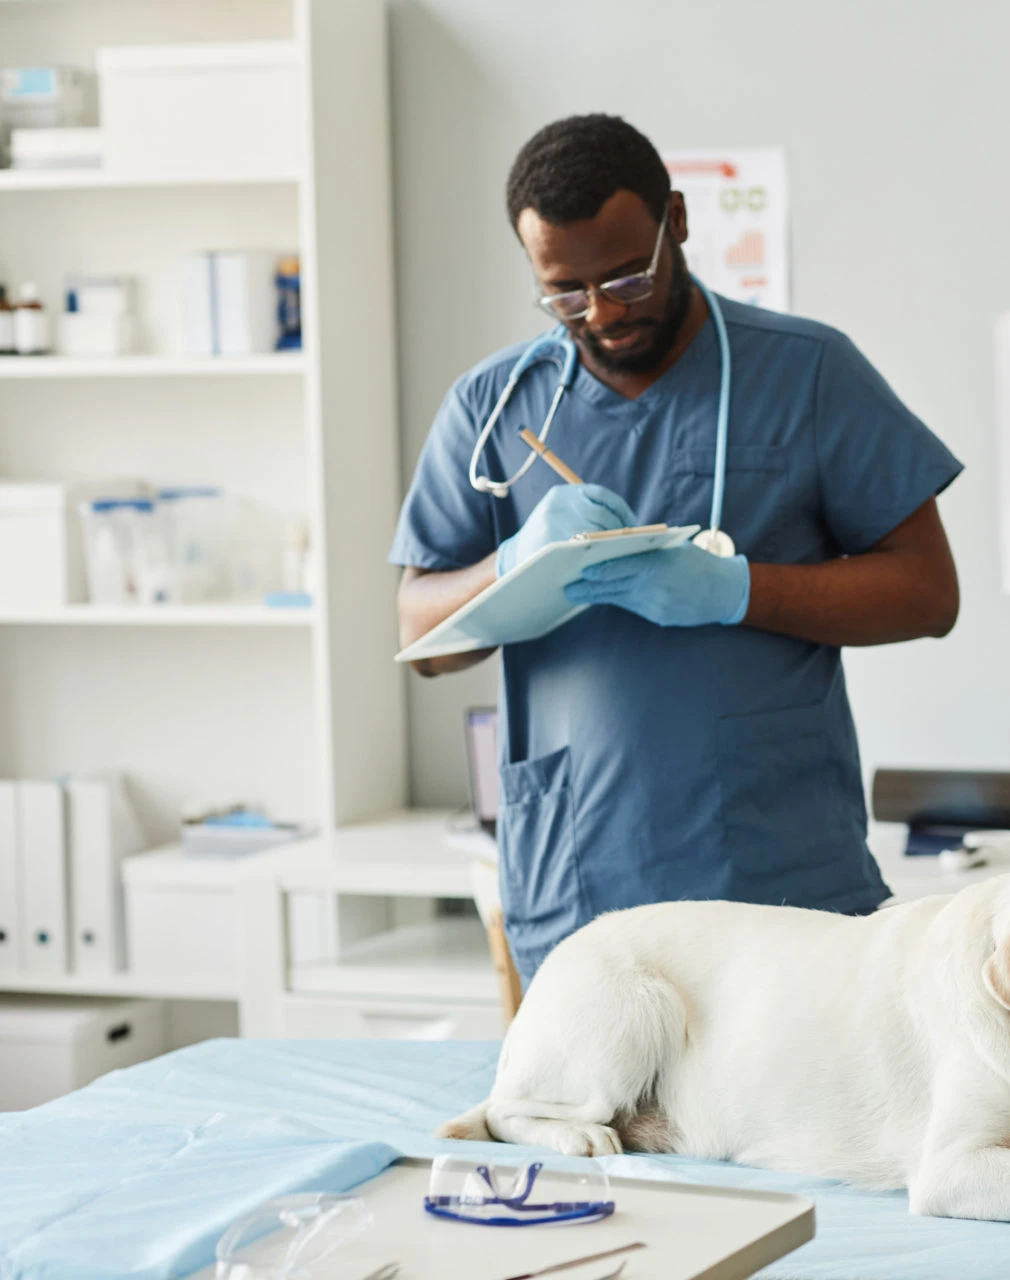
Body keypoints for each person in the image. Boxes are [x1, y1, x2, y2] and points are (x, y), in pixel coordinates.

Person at [392, 115, 962, 979]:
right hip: (577, 876)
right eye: (566, 293)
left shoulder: (808, 373)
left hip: (780, 881)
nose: (603, 313)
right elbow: (419, 639)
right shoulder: (493, 406)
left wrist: (739, 590)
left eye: (626, 275)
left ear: (679, 222)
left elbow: (928, 593)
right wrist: (509, 571)